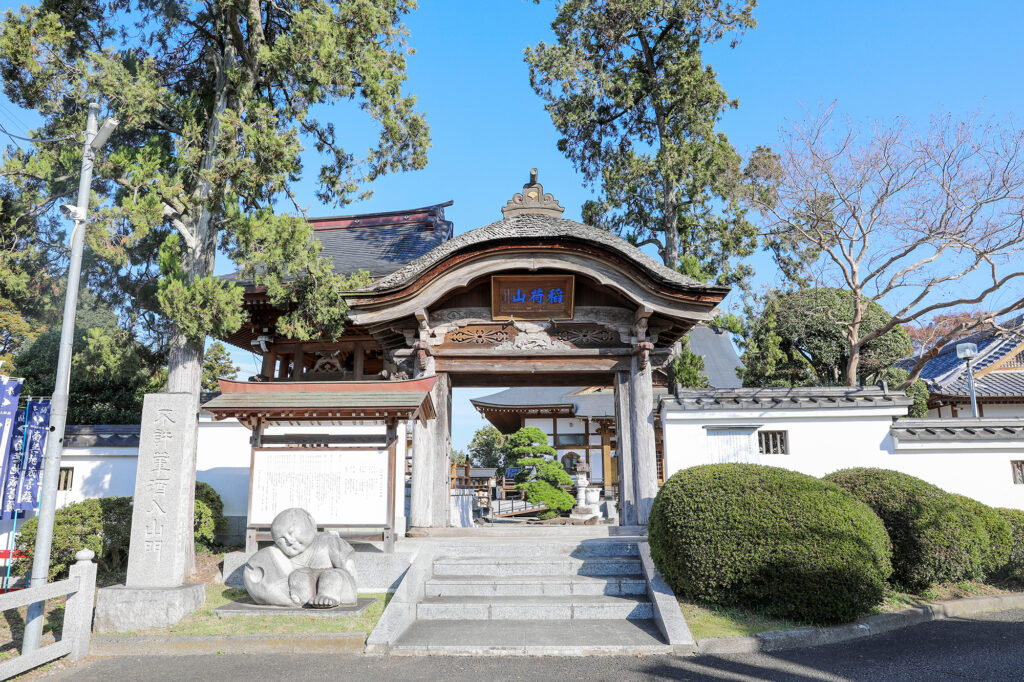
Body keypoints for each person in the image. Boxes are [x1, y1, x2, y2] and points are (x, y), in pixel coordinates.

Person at [243, 507, 358, 608]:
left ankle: (328, 596)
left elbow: (349, 567)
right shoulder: (284, 558)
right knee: (299, 575)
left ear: (311, 523)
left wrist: (350, 581)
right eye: (280, 540)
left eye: (291, 532)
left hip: (340, 587)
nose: (289, 541)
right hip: (309, 593)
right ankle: (304, 601)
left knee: (330, 575)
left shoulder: (328, 541)